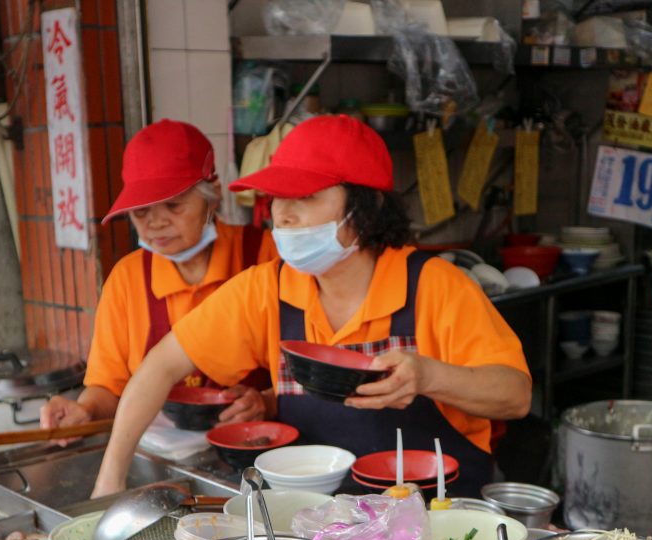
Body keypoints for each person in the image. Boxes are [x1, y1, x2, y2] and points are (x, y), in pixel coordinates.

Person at [91, 115, 532, 498]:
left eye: (305, 197)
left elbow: (515, 396)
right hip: (318, 533)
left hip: (440, 525)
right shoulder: (267, 289)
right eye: (277, 198)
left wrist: (431, 375)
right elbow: (160, 367)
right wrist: (109, 482)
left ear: (366, 205)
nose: (282, 215)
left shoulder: (435, 285)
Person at [39, 119, 276, 434]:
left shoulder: (265, 256)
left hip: (256, 450)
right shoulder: (126, 279)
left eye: (174, 206)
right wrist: (84, 410)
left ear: (213, 196)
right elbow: (110, 390)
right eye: (141, 211)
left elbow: (305, 376)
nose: (156, 223)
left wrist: (267, 401)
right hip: (164, 455)